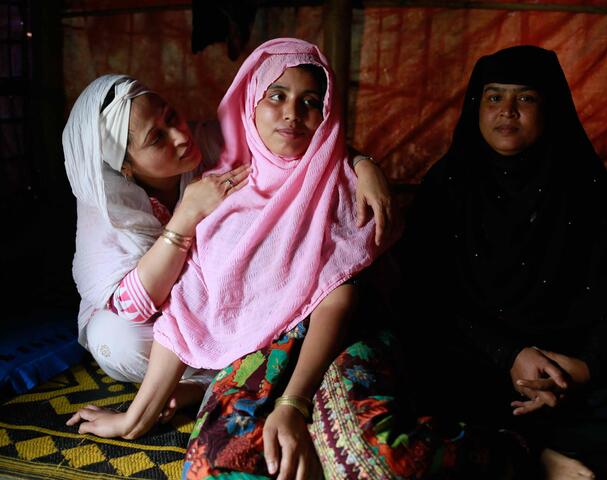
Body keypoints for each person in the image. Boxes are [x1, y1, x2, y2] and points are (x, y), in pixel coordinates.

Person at [61, 71, 394, 415]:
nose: (179, 136)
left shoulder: (211, 139)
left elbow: (296, 142)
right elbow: (133, 308)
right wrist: (187, 215)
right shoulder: (107, 207)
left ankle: (228, 375)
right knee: (115, 339)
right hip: (164, 314)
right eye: (157, 138)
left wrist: (363, 164)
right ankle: (219, 376)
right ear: (126, 167)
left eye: (172, 116)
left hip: (225, 291)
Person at [396, 45, 607, 479]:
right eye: (494, 97)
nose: (507, 111)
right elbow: (426, 293)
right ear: (476, 106)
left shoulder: (585, 188)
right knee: (419, 363)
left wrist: (581, 368)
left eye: (525, 98)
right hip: (481, 361)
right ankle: (549, 447)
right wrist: (510, 355)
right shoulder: (448, 185)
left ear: (550, 108)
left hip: (568, 361)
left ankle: (537, 444)